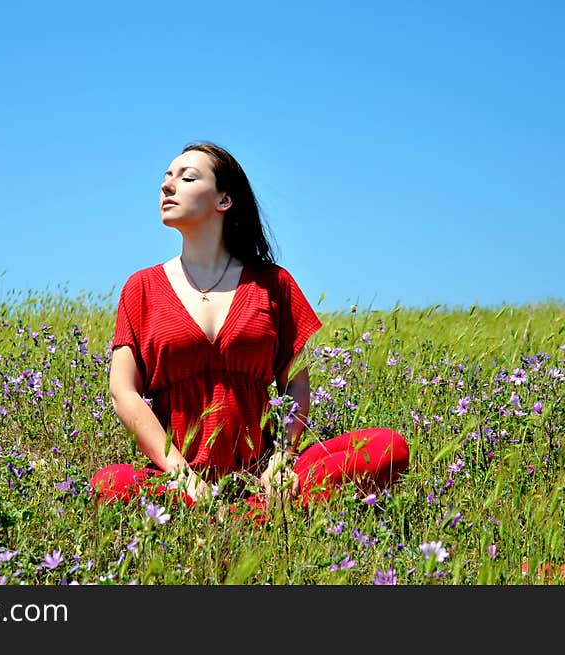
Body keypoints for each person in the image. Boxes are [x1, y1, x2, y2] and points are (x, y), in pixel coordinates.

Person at [92, 141, 408, 512]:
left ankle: (253, 509)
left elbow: (295, 384)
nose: (167, 186)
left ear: (224, 200)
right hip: (176, 480)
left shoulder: (274, 283)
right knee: (109, 484)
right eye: (166, 178)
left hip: (262, 475)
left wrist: (281, 460)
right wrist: (181, 475)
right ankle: (254, 517)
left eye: (187, 177)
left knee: (389, 446)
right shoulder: (141, 287)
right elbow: (123, 393)